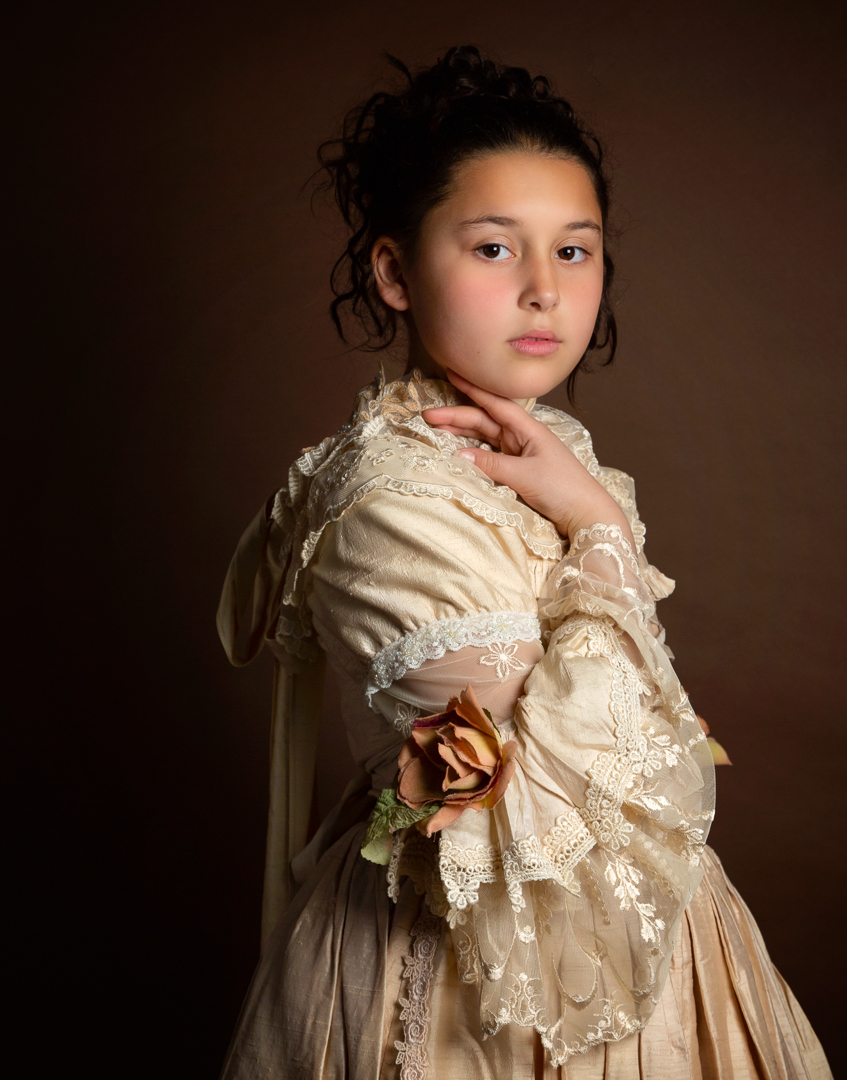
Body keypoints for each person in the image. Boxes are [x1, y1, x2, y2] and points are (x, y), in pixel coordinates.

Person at [216, 45, 831, 1079]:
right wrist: (599, 533)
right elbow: (544, 803)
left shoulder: (538, 448)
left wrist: (590, 518)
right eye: (496, 249)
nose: (545, 291)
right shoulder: (391, 502)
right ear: (395, 272)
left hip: (624, 931)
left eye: (576, 251)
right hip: (486, 965)